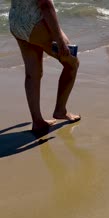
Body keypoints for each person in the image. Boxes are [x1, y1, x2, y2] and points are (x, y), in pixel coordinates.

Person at [9, 0, 80, 132]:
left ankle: (37, 121)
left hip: (16, 20)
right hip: (36, 22)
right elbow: (46, 4)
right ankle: (60, 111)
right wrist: (58, 38)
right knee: (72, 63)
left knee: (32, 73)